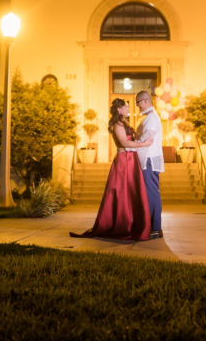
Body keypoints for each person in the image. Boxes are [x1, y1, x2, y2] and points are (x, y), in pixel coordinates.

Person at [70, 98, 153, 241]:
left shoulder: (125, 123)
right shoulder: (117, 125)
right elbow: (124, 142)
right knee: (123, 193)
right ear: (119, 110)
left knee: (132, 192)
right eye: (125, 107)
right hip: (124, 161)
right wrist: (143, 144)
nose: (128, 109)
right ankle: (123, 225)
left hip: (132, 160)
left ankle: (134, 224)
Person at [134, 89, 164, 239]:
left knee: (152, 193)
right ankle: (154, 226)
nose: (137, 106)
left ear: (145, 101)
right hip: (148, 159)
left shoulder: (151, 117)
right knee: (150, 192)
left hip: (149, 159)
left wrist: (131, 145)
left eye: (138, 102)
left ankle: (155, 228)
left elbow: (147, 137)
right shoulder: (148, 116)